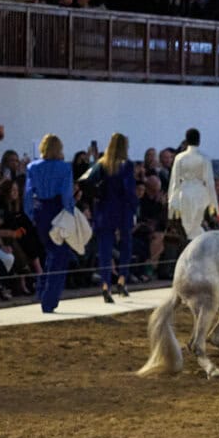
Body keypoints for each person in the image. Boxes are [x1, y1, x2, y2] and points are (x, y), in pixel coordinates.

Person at [26, 133, 76, 313]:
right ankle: (49, 300)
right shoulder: (64, 168)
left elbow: (28, 193)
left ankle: (42, 292)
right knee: (59, 256)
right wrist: (69, 214)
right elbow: (66, 194)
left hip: (40, 210)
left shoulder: (32, 167)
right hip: (57, 210)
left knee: (50, 253)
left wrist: (32, 214)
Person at [88, 132, 138, 302]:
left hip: (104, 209)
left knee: (105, 250)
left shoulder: (101, 164)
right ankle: (122, 279)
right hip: (122, 209)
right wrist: (134, 208)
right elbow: (129, 190)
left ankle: (105, 284)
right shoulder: (127, 165)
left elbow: (87, 182)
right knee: (126, 245)